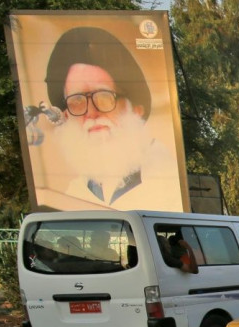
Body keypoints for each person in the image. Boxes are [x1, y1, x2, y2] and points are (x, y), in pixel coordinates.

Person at [44, 27, 180, 210]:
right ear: (66, 114)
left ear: (136, 108)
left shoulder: (168, 180)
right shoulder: (75, 192)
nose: (91, 113)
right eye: (77, 101)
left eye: (104, 97)